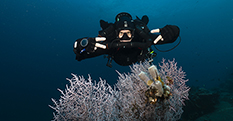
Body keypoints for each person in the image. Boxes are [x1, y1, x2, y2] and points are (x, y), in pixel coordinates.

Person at [73, 12, 180, 67]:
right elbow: (80, 56)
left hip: (136, 57)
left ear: (133, 33)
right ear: (116, 34)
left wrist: (173, 32)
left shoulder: (141, 37)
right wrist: (81, 46)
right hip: (118, 58)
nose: (125, 37)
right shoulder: (111, 41)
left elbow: (168, 39)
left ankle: (142, 21)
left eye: (128, 33)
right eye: (121, 34)